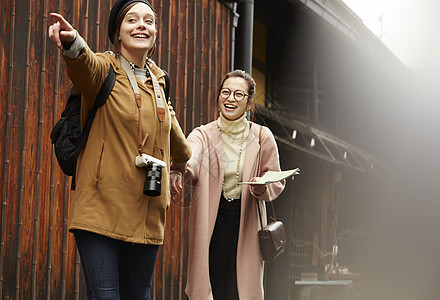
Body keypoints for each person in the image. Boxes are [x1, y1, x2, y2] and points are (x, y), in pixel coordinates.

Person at [48, 0, 191, 299]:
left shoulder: (160, 82)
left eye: (149, 21)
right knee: (105, 296)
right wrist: (72, 42)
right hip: (102, 206)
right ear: (118, 31)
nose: (142, 25)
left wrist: (182, 163)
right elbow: (84, 63)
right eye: (132, 20)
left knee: (139, 296)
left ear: (154, 33)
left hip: (147, 210)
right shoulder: (104, 68)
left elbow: (177, 140)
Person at [170, 70, 286, 299]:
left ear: (249, 102)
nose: (230, 98)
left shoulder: (263, 136)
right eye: (226, 92)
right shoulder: (203, 134)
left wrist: (262, 187)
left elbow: (276, 178)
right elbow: (191, 157)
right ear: (219, 97)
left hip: (246, 224)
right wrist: (181, 169)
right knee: (207, 284)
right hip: (210, 221)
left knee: (238, 289)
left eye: (238, 94)